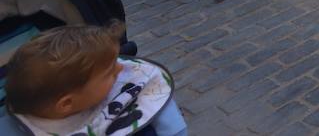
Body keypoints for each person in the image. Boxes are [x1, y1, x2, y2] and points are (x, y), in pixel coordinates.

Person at [0, 22, 187, 136]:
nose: (122, 68)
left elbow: (173, 129)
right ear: (66, 103)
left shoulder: (134, 90)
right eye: (110, 72)